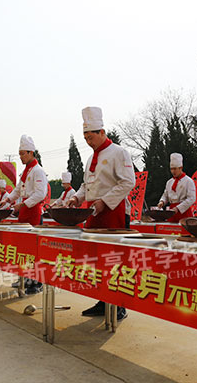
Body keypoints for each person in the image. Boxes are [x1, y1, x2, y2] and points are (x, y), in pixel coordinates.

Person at [68, 106, 136, 321]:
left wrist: (105, 202)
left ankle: (120, 305)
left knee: (115, 260)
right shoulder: (90, 159)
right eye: (85, 138)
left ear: (102, 132)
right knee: (97, 261)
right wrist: (76, 197)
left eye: (91, 137)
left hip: (113, 214)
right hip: (94, 214)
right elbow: (86, 185)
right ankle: (102, 300)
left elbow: (128, 181)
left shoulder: (119, 152)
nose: (89, 141)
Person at [1, 135, 48, 294]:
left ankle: (37, 283)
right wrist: (7, 200)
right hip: (24, 211)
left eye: (23, 154)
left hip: (33, 212)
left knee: (35, 250)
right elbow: (17, 190)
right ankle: (26, 278)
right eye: (19, 154)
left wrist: (23, 204)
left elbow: (40, 194)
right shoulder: (25, 171)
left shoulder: (38, 170)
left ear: (31, 153)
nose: (20, 157)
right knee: (24, 249)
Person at [157, 153, 196, 223]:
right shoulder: (169, 182)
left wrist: (178, 208)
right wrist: (162, 201)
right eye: (171, 169)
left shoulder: (189, 181)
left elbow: (191, 198)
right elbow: (165, 195)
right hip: (171, 212)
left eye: (175, 169)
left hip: (184, 211)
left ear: (181, 168)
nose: (173, 171)